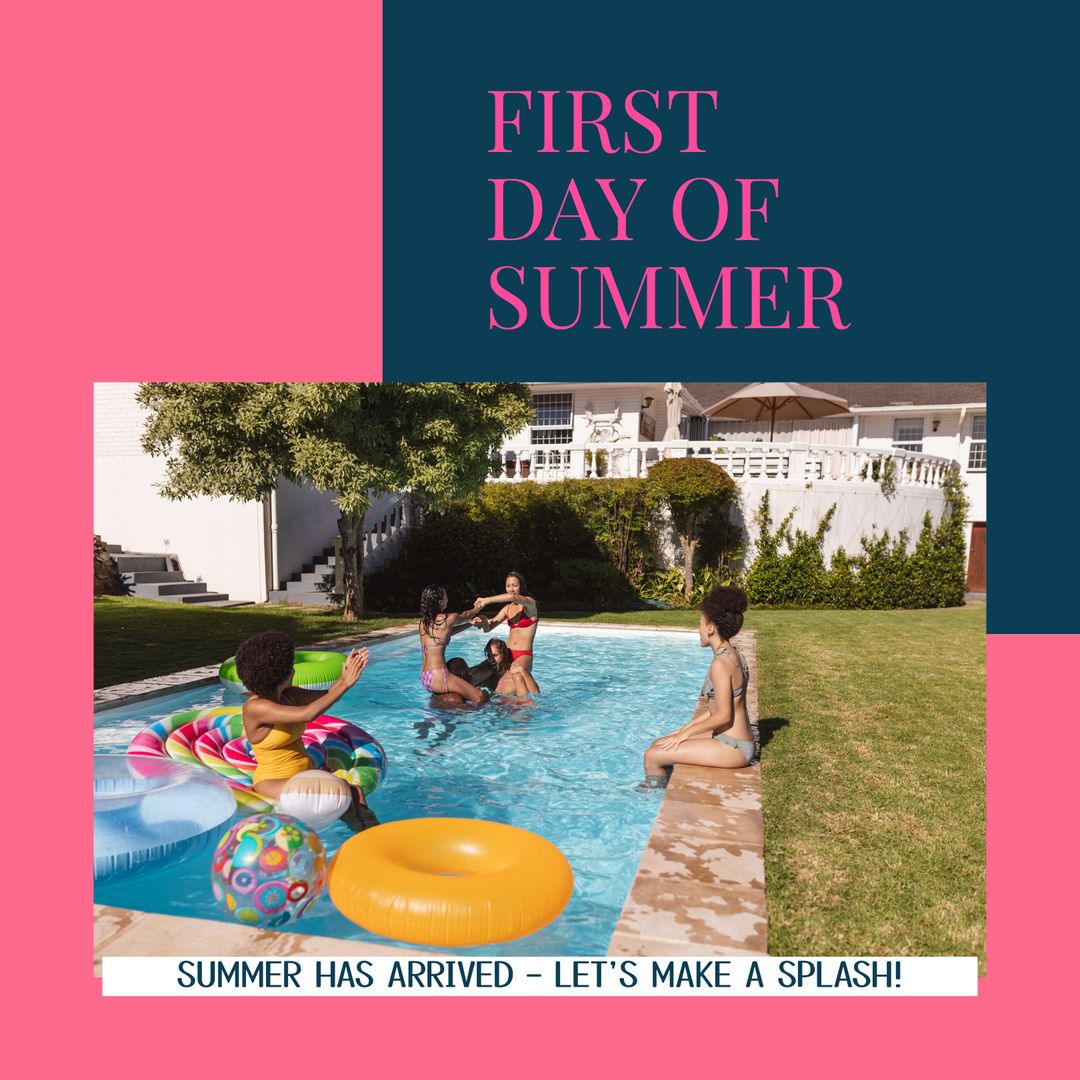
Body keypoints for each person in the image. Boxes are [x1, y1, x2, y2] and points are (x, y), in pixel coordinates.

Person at [235, 631, 374, 823]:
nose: (293, 670)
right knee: (343, 790)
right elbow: (308, 714)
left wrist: (344, 679)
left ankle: (370, 835)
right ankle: (364, 836)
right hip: (272, 782)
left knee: (354, 792)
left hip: (305, 773)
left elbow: (327, 694)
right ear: (280, 674)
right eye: (290, 667)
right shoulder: (256, 707)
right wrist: (345, 685)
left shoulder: (290, 695)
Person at [639, 585, 755, 790]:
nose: (698, 630)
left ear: (711, 628)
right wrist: (683, 730)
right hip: (734, 740)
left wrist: (684, 735)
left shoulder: (721, 664)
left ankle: (651, 797)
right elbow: (717, 710)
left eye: (700, 624)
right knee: (661, 742)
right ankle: (665, 785)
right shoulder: (734, 654)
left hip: (733, 747)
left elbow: (723, 717)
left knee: (652, 756)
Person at [419, 585, 490, 705]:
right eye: (446, 596)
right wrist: (478, 607)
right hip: (438, 675)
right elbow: (466, 615)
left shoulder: (424, 623)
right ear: (440, 601)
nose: (448, 598)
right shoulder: (449, 618)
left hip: (425, 676)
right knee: (481, 697)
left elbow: (447, 633)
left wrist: (471, 624)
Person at [473, 570, 539, 674]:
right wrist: (484, 621)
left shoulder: (530, 603)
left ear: (521, 586)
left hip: (523, 655)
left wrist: (486, 600)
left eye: (514, 585)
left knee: (515, 675)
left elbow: (511, 597)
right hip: (506, 654)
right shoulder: (507, 608)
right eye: (508, 586)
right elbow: (488, 628)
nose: (511, 589)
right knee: (477, 673)